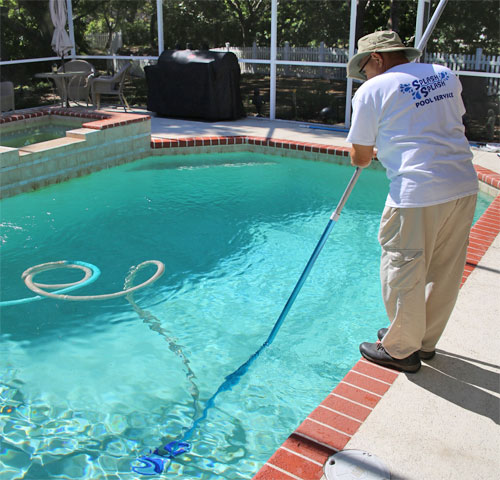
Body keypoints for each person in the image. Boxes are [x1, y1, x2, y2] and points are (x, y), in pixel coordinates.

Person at [346, 30, 478, 373]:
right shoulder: (444, 74)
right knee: (444, 269)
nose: (364, 75)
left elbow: (359, 156)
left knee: (402, 268)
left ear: (376, 58)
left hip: (416, 191)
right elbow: (445, 122)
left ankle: (402, 349)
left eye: (364, 67)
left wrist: (375, 152)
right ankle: (423, 341)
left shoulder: (372, 90)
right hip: (462, 184)